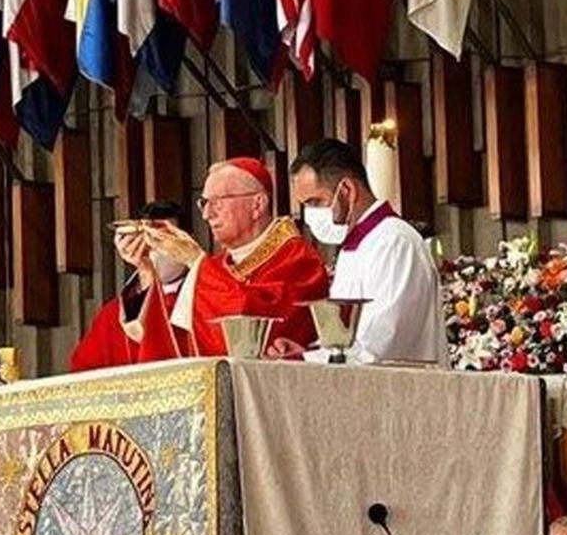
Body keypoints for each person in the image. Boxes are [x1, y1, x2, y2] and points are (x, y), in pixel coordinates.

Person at [131, 159, 329, 358]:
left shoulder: (299, 260)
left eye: (217, 202)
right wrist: (146, 270)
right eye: (204, 203)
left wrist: (195, 262)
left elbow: (252, 329)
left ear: (257, 204)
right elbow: (169, 338)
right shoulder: (215, 266)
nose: (206, 215)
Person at [278, 139, 447, 364]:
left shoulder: (393, 241)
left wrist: (307, 360)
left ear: (347, 190)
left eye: (316, 202)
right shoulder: (358, 245)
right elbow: (346, 340)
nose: (310, 215)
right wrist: (308, 352)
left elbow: (382, 341)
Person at [69, 201, 192, 371]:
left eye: (161, 239)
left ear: (188, 240)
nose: (152, 248)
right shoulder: (112, 315)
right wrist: (145, 271)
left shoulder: (204, 297)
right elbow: (82, 375)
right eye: (145, 239)